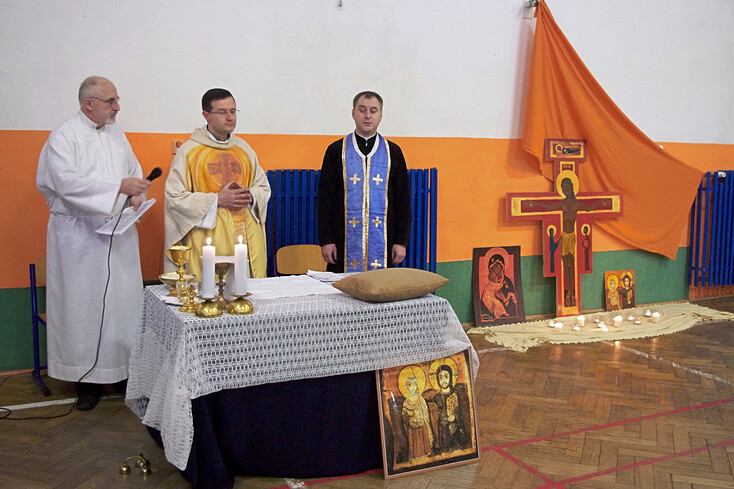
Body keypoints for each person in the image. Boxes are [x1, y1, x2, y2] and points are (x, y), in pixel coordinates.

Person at [36, 76, 151, 410]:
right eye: (110, 101)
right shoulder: (64, 136)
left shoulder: (117, 133)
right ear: (89, 103)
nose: (117, 107)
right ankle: (86, 381)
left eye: (117, 100)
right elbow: (67, 184)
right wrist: (118, 188)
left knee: (123, 305)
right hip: (79, 238)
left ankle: (125, 372)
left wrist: (137, 196)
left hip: (118, 234)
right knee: (83, 308)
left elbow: (134, 172)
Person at [164, 88, 270, 279]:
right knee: (213, 295)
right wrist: (217, 200)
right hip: (210, 238)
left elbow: (263, 187)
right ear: (206, 115)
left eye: (233, 111)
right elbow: (175, 198)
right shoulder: (189, 152)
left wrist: (251, 195)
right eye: (222, 112)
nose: (230, 117)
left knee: (247, 296)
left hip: (247, 236)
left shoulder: (244, 149)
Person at [317, 91, 411, 273]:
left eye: (373, 110)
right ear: (353, 113)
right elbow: (325, 200)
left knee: (381, 292)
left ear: (380, 115)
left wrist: (401, 241)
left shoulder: (393, 153)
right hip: (342, 242)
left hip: (384, 242)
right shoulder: (337, 151)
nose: (368, 115)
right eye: (362, 110)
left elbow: (403, 201)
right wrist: (327, 240)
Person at [428, 364, 471, 453]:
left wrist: (455, 416)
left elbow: (461, 412)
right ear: (437, 380)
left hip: (455, 428)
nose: (444, 380)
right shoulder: (436, 397)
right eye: (441, 377)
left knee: (456, 448)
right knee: (445, 449)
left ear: (450, 377)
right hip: (443, 430)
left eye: (446, 376)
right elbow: (434, 414)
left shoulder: (456, 394)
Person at [400, 373, 434, 462]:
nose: (413, 387)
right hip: (412, 430)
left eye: (414, 384)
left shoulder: (421, 400)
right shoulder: (406, 402)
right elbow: (404, 418)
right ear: (407, 387)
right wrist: (410, 420)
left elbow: (426, 416)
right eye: (410, 385)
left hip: (422, 428)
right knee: (414, 445)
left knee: (423, 445)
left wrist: (429, 433)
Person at [480, 253, 517, 322]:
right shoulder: (490, 285)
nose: (494, 269)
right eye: (492, 268)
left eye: (496, 266)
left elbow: (514, 308)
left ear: (502, 266)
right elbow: (482, 307)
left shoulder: (507, 282)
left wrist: (503, 299)